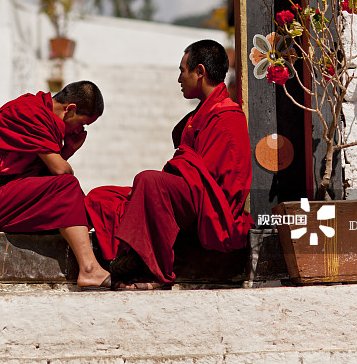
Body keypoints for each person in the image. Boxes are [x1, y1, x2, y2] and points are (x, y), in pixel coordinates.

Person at [85, 40, 253, 289]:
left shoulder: (227, 116)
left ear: (199, 72)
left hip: (213, 208)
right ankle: (125, 256)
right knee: (104, 197)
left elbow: (225, 185)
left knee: (149, 181)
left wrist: (177, 172)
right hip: (194, 194)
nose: (179, 79)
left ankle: (153, 271)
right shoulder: (203, 113)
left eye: (181, 71)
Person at [0, 80, 112, 289]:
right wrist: (70, 152)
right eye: (82, 124)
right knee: (67, 186)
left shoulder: (43, 116)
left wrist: (66, 151)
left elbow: (41, 178)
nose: (80, 131)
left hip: (0, 197)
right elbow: (60, 172)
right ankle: (90, 268)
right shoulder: (31, 112)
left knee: (85, 202)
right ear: (70, 110)